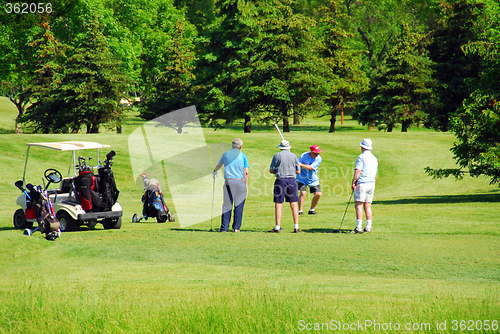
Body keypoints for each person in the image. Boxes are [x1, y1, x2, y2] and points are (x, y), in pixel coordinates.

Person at [213, 138, 249, 232]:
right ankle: (236, 228)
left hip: (229, 182)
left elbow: (219, 165)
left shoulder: (226, 154)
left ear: (232, 145)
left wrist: (214, 171)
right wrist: (246, 184)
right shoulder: (243, 156)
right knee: (239, 206)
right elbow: (246, 172)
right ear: (240, 146)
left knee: (227, 204)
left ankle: (224, 228)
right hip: (240, 182)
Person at [269, 140, 300, 233]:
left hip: (280, 180)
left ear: (280, 147)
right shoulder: (294, 156)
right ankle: (296, 226)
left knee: (279, 204)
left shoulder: (277, 155)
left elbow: (271, 170)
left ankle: (277, 227)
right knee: (294, 204)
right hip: (291, 180)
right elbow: (298, 171)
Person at [351, 139, 378, 233]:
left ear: (362, 147)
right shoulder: (374, 158)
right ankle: (368, 226)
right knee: (368, 205)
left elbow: (358, 170)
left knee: (359, 205)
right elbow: (375, 174)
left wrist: (353, 182)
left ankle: (359, 227)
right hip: (371, 183)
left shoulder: (361, 157)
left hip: (362, 183)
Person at [296, 145, 323, 215]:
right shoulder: (303, 155)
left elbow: (310, 168)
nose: (317, 155)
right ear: (311, 152)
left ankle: (312, 210)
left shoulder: (318, 159)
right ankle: (300, 211)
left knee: (318, 194)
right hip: (301, 178)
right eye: (315, 153)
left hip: (313, 179)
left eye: (318, 153)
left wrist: (300, 164)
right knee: (303, 193)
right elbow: (297, 166)